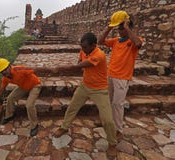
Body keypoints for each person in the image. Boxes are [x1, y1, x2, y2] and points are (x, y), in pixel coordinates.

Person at [53, 33, 117, 156]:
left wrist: (61, 68)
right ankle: (64, 127)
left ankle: (112, 144)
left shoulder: (99, 55)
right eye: (82, 47)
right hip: (85, 86)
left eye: (86, 47)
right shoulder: (84, 51)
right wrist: (80, 63)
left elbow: (80, 65)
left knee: (107, 120)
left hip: (100, 90)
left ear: (94, 45)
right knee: (72, 107)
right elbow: (80, 61)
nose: (83, 49)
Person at [98, 10, 143, 138]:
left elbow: (138, 44)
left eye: (120, 28)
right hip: (110, 75)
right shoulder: (117, 41)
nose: (118, 30)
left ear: (128, 27)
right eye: (118, 28)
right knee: (108, 102)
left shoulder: (134, 40)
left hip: (122, 78)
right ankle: (107, 123)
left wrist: (127, 27)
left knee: (117, 104)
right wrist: (109, 27)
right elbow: (100, 41)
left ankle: (118, 130)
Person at [0, 58, 41, 136]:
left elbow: (34, 69)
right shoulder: (5, 78)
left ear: (9, 66)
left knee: (29, 105)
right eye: (2, 72)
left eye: (5, 69)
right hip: (23, 87)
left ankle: (34, 125)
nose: (4, 72)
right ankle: (9, 115)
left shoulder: (19, 70)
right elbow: (1, 89)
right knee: (10, 98)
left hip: (35, 85)